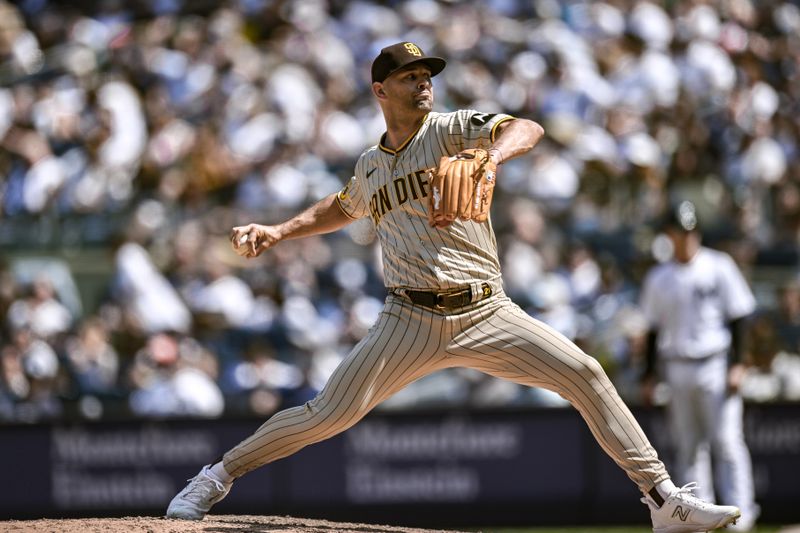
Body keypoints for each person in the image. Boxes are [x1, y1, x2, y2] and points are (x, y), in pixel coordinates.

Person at [166, 42, 742, 533]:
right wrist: (279, 230)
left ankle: (664, 502)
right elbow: (343, 206)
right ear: (379, 91)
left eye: (426, 77)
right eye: (408, 78)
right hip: (407, 320)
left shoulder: (449, 130)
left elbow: (527, 127)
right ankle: (214, 478)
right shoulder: (371, 165)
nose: (422, 86)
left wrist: (491, 155)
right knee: (324, 416)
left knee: (586, 373)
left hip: (487, 309)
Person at [639, 200, 758, 532]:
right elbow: (652, 330)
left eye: (690, 232)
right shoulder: (659, 276)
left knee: (727, 441)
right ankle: (703, 517)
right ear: (669, 235)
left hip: (715, 363)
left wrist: (739, 364)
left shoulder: (719, 265)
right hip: (677, 365)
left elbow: (739, 318)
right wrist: (649, 374)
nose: (685, 239)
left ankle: (742, 517)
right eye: (679, 232)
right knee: (689, 447)